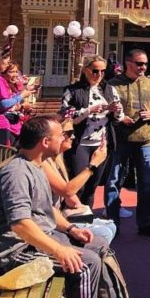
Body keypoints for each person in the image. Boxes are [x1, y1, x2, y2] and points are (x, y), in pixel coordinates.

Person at [0, 115, 117, 298]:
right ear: (45, 142)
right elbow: (20, 224)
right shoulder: (17, 174)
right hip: (17, 251)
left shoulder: (35, 166)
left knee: (99, 244)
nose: (65, 139)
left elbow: (47, 210)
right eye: (60, 136)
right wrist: (57, 249)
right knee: (86, 263)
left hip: (36, 241)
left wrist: (71, 228)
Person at [105, 48, 150, 237]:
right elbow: (104, 112)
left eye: (146, 64)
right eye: (139, 63)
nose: (143, 67)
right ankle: (113, 224)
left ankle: (145, 223)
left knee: (146, 184)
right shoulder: (113, 85)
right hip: (120, 140)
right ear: (128, 63)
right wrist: (117, 117)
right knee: (114, 182)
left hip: (145, 140)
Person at [42, 119, 117, 246]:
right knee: (105, 232)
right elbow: (67, 190)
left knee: (110, 226)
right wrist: (93, 165)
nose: (73, 136)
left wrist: (80, 207)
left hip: (61, 216)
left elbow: (70, 197)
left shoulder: (57, 159)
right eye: (68, 133)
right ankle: (87, 259)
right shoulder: (44, 162)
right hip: (51, 222)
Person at [61, 56, 121, 207]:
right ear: (86, 70)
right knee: (78, 185)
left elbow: (118, 118)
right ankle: (71, 219)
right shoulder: (72, 90)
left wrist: (116, 110)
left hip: (101, 143)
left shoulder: (109, 89)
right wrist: (90, 110)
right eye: (95, 71)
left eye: (103, 71)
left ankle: (88, 219)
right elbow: (67, 116)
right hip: (80, 142)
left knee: (92, 187)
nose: (99, 75)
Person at [0, 47, 34, 147]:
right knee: (1, 157)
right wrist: (21, 95)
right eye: (6, 62)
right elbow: (3, 104)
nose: (7, 64)